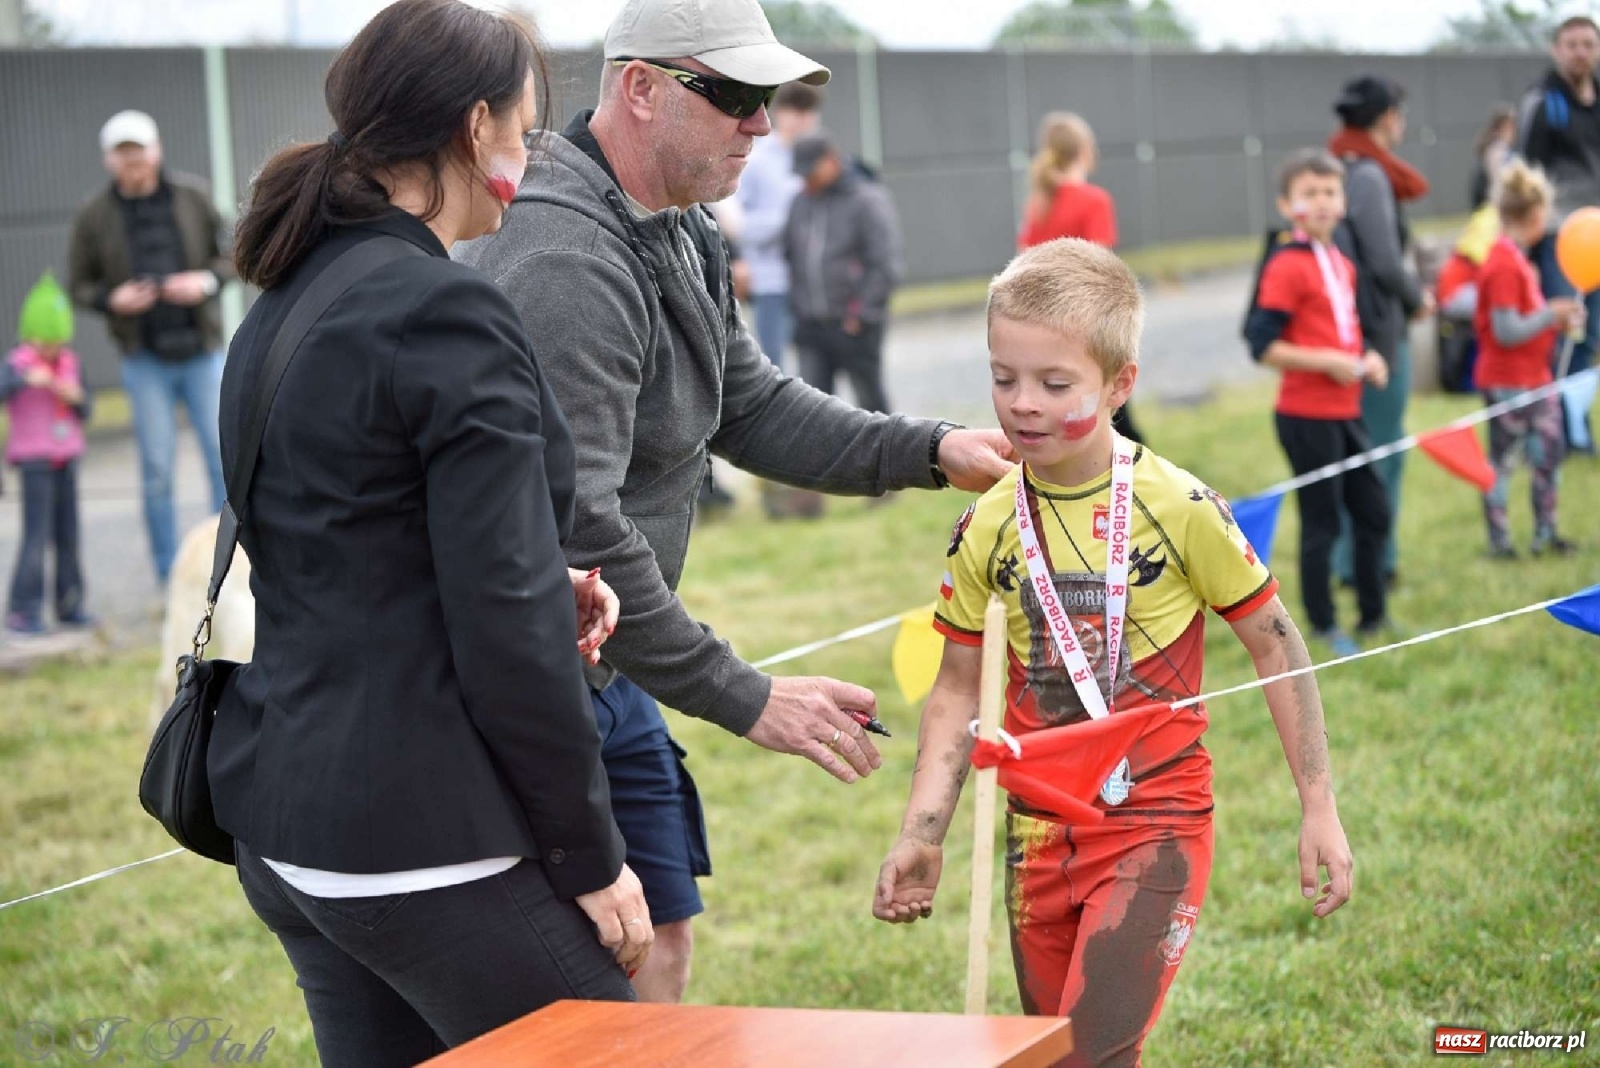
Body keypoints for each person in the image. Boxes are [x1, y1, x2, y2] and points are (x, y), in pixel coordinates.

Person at [455, 0, 1014, 1005]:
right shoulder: (563, 259)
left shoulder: (677, 225)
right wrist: (744, 696)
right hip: (511, 690)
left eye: (773, 98)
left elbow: (746, 404)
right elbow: (577, 526)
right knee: (581, 984)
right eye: (737, 96)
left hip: (598, 660)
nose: (764, 123)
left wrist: (929, 450)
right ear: (639, 89)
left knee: (661, 937)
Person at [210, 3, 650, 1064]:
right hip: (418, 843)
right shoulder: (445, 313)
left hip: (292, 824)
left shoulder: (288, 295)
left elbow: (358, 541)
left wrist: (548, 578)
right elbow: (501, 631)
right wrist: (592, 858)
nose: (529, 158)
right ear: (471, 127)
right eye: (526, 131)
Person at [873, 238, 1353, 1067]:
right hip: (1036, 835)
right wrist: (924, 830)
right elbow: (955, 689)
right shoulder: (987, 522)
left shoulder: (1180, 504)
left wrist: (1319, 805)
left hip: (1153, 823)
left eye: (1056, 384)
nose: (1023, 404)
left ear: (1120, 383)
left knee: (1088, 1053)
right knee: (1054, 1056)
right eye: (1003, 377)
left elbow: (1278, 648)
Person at [67, 108, 232, 586]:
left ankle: (225, 570)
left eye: (139, 152)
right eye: (123, 155)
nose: (133, 163)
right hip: (145, 360)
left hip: (201, 352)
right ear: (109, 161)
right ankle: (169, 575)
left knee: (223, 463)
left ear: (156, 152)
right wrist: (110, 299)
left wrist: (202, 282)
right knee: (156, 471)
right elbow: (79, 284)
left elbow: (231, 257)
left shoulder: (194, 198)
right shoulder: (93, 216)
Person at [1246, 149, 1393, 656]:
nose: (1323, 201)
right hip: (1306, 415)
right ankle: (1324, 624)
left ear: (1343, 200)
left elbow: (1345, 334)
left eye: (1330, 191)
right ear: (1288, 205)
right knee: (1322, 521)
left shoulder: (1340, 262)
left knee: (1373, 511)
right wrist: (1326, 362)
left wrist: (1366, 358)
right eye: (1310, 193)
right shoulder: (1287, 264)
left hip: (1346, 410)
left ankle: (1375, 616)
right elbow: (1263, 346)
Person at [1327, 74, 1432, 589]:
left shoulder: (1334, 167)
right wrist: (1418, 299)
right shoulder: (1368, 175)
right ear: (1388, 116)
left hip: (1348, 331)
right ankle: (1370, 563)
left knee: (1357, 450)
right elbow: (1386, 262)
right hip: (1377, 335)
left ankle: (1352, 559)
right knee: (1382, 449)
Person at [1472, 160, 1582, 558]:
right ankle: (1500, 543)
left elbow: (1528, 323)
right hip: (1508, 383)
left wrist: (1559, 321)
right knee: (1503, 464)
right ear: (1534, 216)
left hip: (1536, 379)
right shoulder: (1502, 263)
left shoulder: (1517, 260)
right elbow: (1506, 331)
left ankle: (1545, 534)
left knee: (1547, 457)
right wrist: (1550, 313)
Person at [1017, 111, 1144, 446]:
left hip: (1046, 325)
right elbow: (1100, 268)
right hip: (1086, 326)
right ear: (1086, 151)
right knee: (1115, 410)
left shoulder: (1039, 203)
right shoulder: (1094, 201)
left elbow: (1023, 261)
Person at [1518, 14, 1600, 454]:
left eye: (1588, 43)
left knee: (1590, 338)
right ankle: (1552, 434)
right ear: (1557, 49)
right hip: (1560, 237)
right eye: (1571, 44)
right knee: (1565, 331)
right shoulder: (1542, 100)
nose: (1580, 51)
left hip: (1598, 236)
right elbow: (1523, 171)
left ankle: (1577, 426)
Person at [785, 128, 902, 415]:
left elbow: (885, 263)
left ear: (831, 161)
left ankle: (884, 459)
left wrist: (861, 314)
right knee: (814, 409)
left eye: (811, 172)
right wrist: (798, 309)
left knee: (871, 404)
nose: (806, 180)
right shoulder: (800, 202)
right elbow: (790, 256)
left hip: (854, 325)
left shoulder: (867, 200)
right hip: (811, 325)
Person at [4, 271, 92, 636]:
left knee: (69, 536)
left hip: (66, 457)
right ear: (30, 337)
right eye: (44, 343)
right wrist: (26, 379)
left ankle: (69, 603)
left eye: (56, 343)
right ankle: (23, 609)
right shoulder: (17, 365)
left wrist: (76, 397)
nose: (51, 351)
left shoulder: (70, 364)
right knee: (36, 536)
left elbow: (85, 411)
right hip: (34, 462)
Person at [735, 80, 823, 370]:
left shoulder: (821, 159)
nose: (804, 120)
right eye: (797, 112)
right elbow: (737, 220)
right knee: (773, 365)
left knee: (817, 365)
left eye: (809, 112)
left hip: (812, 279)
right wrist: (787, 219)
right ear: (782, 113)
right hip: (770, 277)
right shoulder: (757, 159)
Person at [1470, 104, 1518, 210]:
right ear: (1502, 126)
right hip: (1497, 204)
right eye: (1511, 126)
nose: (1514, 130)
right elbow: (1499, 182)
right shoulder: (1497, 150)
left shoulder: (1498, 148)